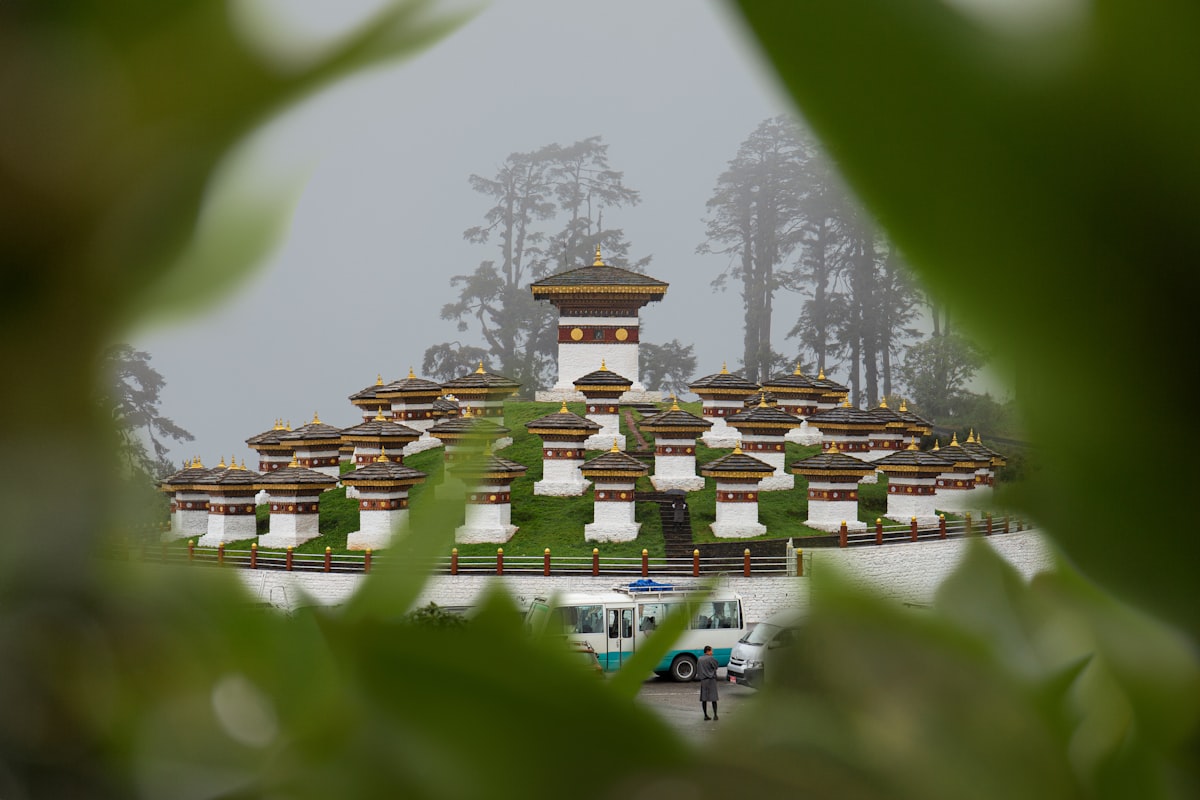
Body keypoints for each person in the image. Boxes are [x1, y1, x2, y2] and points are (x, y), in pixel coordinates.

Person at [698, 645, 720, 720]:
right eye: (711, 651)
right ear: (708, 651)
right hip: (711, 680)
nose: (712, 652)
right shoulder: (711, 658)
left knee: (704, 699)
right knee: (714, 698)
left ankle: (705, 715)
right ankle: (715, 715)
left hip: (703, 680)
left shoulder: (700, 659)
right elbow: (716, 666)